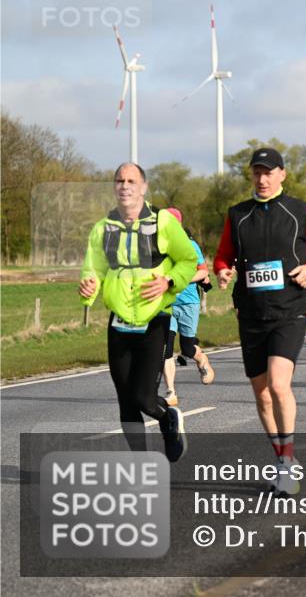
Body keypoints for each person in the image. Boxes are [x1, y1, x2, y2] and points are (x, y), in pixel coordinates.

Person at [214, 148, 306, 495]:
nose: (262, 178)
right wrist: (223, 272)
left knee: (278, 384)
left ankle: (286, 463)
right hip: (251, 314)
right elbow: (224, 256)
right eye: (257, 172)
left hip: (290, 310)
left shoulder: (300, 211)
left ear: (282, 174)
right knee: (262, 395)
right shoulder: (238, 215)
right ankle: (282, 457)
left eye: (269, 172)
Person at [79, 163, 197, 461]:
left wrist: (169, 281)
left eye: (132, 180)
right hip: (119, 322)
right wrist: (89, 287)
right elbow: (93, 268)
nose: (125, 185)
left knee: (143, 397)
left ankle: (168, 418)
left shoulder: (163, 223)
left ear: (143, 187)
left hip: (154, 318)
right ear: (114, 187)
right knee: (125, 401)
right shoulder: (102, 228)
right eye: (119, 180)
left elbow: (188, 261)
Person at [161, 207, 215, 407]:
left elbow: (203, 273)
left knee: (187, 347)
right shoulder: (158, 248)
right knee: (165, 349)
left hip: (188, 302)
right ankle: (170, 392)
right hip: (166, 303)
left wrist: (180, 279)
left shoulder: (190, 245)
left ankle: (201, 359)